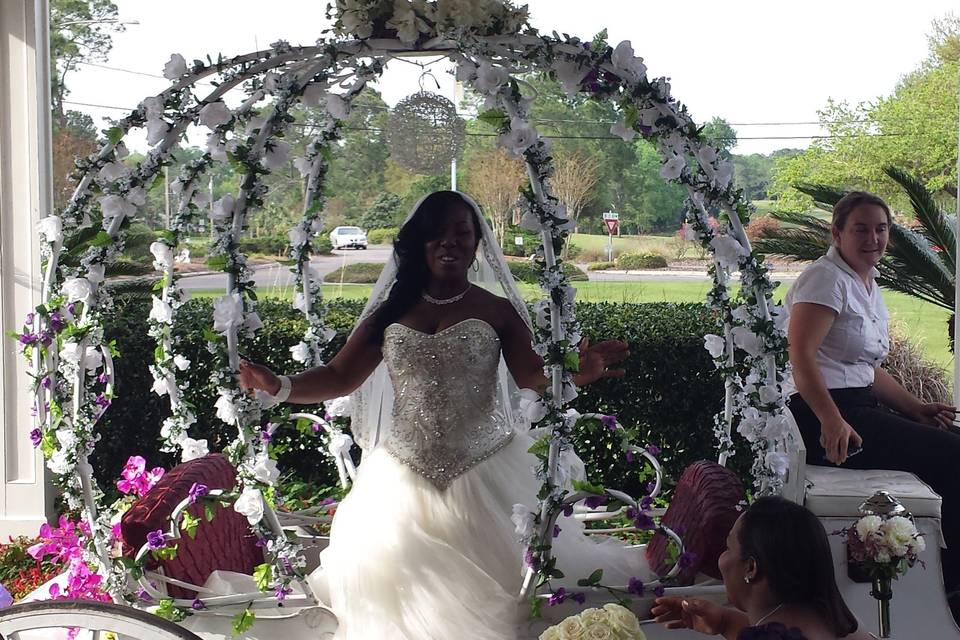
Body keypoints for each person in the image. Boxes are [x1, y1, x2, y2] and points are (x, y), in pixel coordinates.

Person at [239, 190, 654, 639]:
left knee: (524, 592)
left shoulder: (496, 311)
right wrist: (278, 385)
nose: (449, 244)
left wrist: (580, 371)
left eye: (461, 234)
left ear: (477, 244)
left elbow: (532, 376)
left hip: (486, 467)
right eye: (437, 235)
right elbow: (340, 376)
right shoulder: (389, 313)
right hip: (401, 475)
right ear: (419, 243)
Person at [780, 190, 960, 596]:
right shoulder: (825, 279)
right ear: (837, 232)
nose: (873, 238)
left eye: (881, 229)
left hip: (856, 407)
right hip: (823, 416)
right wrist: (831, 419)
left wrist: (917, 408)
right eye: (860, 229)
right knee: (953, 458)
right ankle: (947, 587)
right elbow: (801, 357)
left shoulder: (865, 282)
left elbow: (865, 369)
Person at [652, 496, 874, 640]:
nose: (722, 558)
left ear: (751, 567)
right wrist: (724, 621)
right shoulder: (842, 623)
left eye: (728, 547)